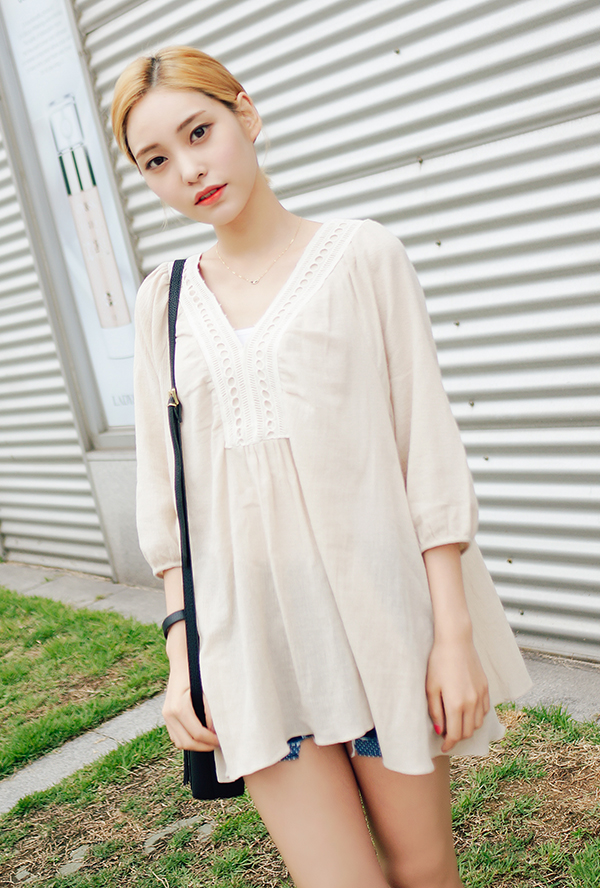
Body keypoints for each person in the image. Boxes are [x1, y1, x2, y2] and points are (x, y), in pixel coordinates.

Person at [111, 46, 531, 888]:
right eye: (155, 161)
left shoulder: (362, 256)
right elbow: (167, 502)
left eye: (199, 132)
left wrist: (452, 638)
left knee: (424, 869)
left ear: (245, 114)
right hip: (253, 642)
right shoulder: (164, 301)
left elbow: (425, 451)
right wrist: (183, 660)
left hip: (383, 622)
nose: (188, 170)